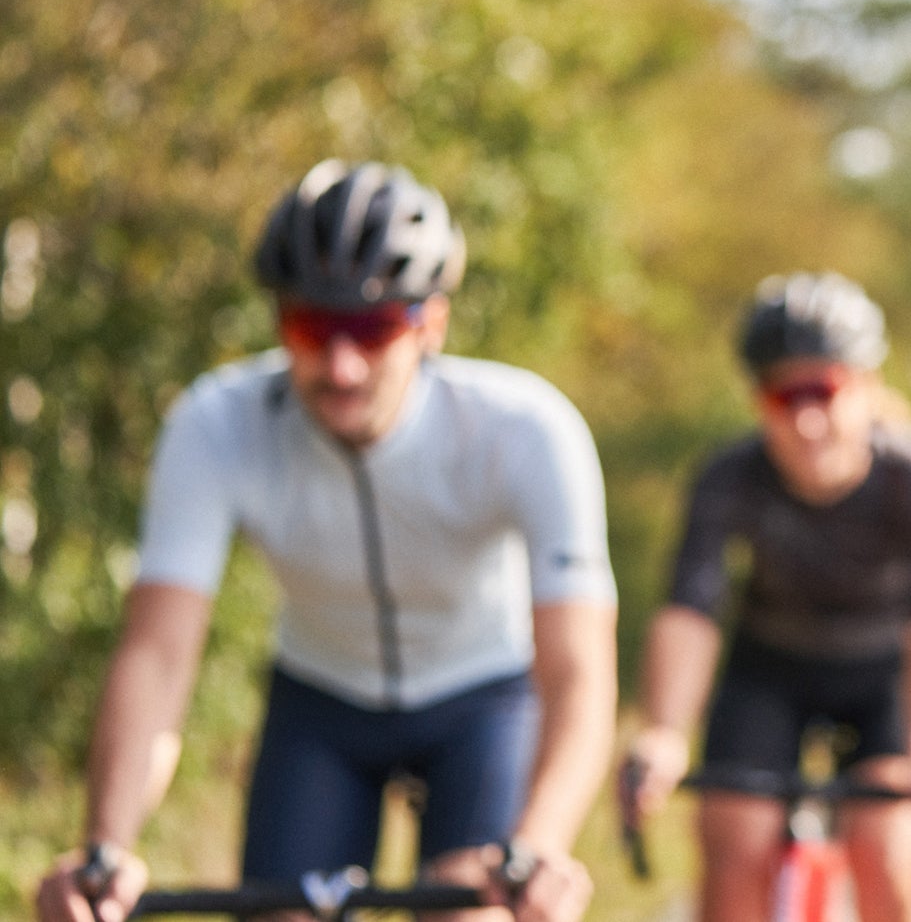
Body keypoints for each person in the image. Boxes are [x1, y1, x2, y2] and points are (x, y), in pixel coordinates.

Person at [36, 160, 618, 922]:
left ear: (430, 322)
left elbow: (577, 669)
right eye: (312, 326)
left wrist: (536, 849)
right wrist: (106, 847)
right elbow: (159, 655)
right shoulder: (217, 425)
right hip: (322, 699)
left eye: (373, 329)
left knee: (475, 911)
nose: (341, 365)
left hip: (481, 698)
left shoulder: (526, 430)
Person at [625, 271, 911, 922]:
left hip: (886, 676)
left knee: (888, 855)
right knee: (735, 848)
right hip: (771, 670)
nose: (807, 417)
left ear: (867, 387)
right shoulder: (730, 475)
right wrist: (665, 735)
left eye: (823, 389)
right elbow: (691, 611)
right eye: (783, 396)